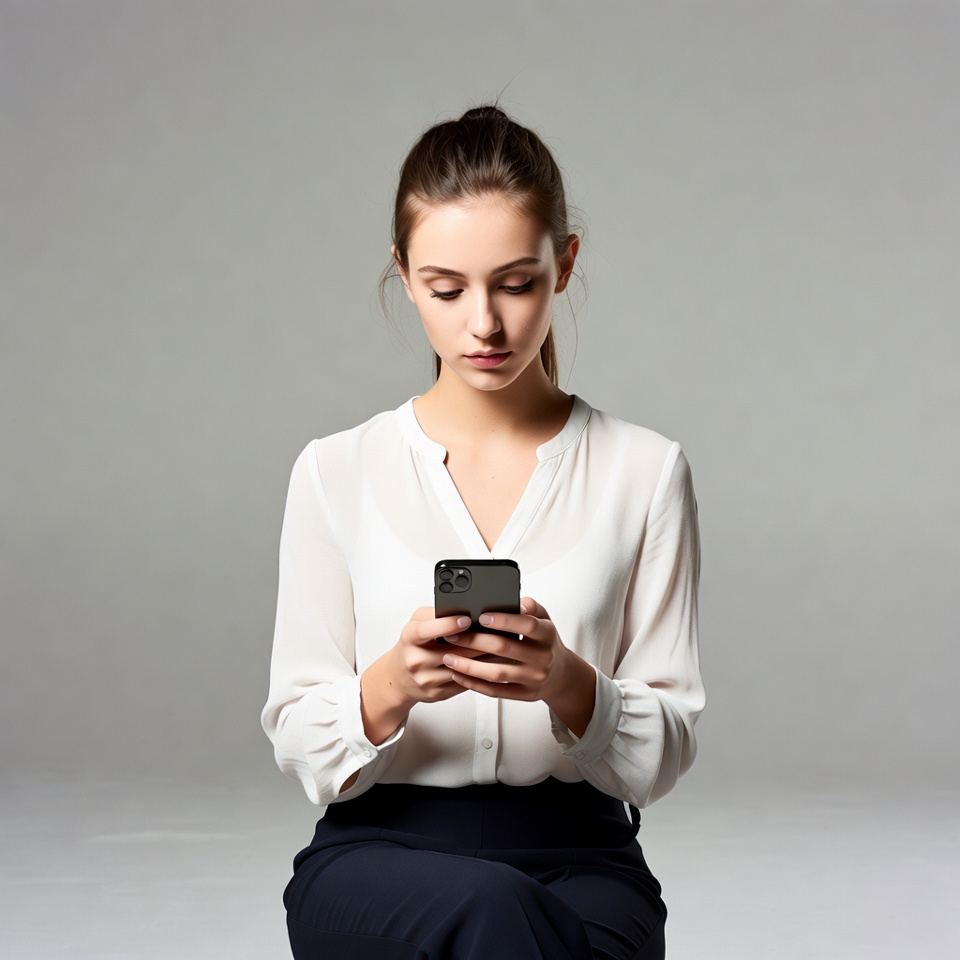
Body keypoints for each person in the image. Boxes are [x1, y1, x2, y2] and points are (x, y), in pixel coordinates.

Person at [261, 105, 704, 960]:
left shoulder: (645, 473)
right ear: (403, 274)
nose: (485, 325)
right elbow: (299, 736)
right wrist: (391, 682)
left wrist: (567, 679)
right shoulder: (334, 472)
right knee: (494, 910)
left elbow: (665, 749)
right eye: (446, 287)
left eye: (515, 282)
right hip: (377, 857)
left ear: (564, 265)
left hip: (585, 862)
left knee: (514, 920)